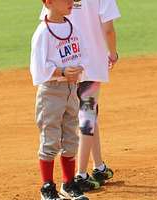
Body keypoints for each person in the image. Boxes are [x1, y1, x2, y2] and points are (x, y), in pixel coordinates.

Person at [40, 0, 121, 192]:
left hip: (66, 62)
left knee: (89, 114)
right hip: (91, 62)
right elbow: (108, 29)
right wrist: (112, 54)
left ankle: (99, 166)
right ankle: (81, 174)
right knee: (88, 115)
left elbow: (46, 21)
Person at [30, 0, 91, 199]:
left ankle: (69, 183)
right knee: (50, 138)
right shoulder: (43, 32)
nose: (71, 2)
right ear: (49, 2)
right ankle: (47, 187)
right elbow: (38, 68)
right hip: (51, 91)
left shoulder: (73, 27)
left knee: (71, 138)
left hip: (71, 89)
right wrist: (63, 71)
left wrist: (78, 68)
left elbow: (82, 55)